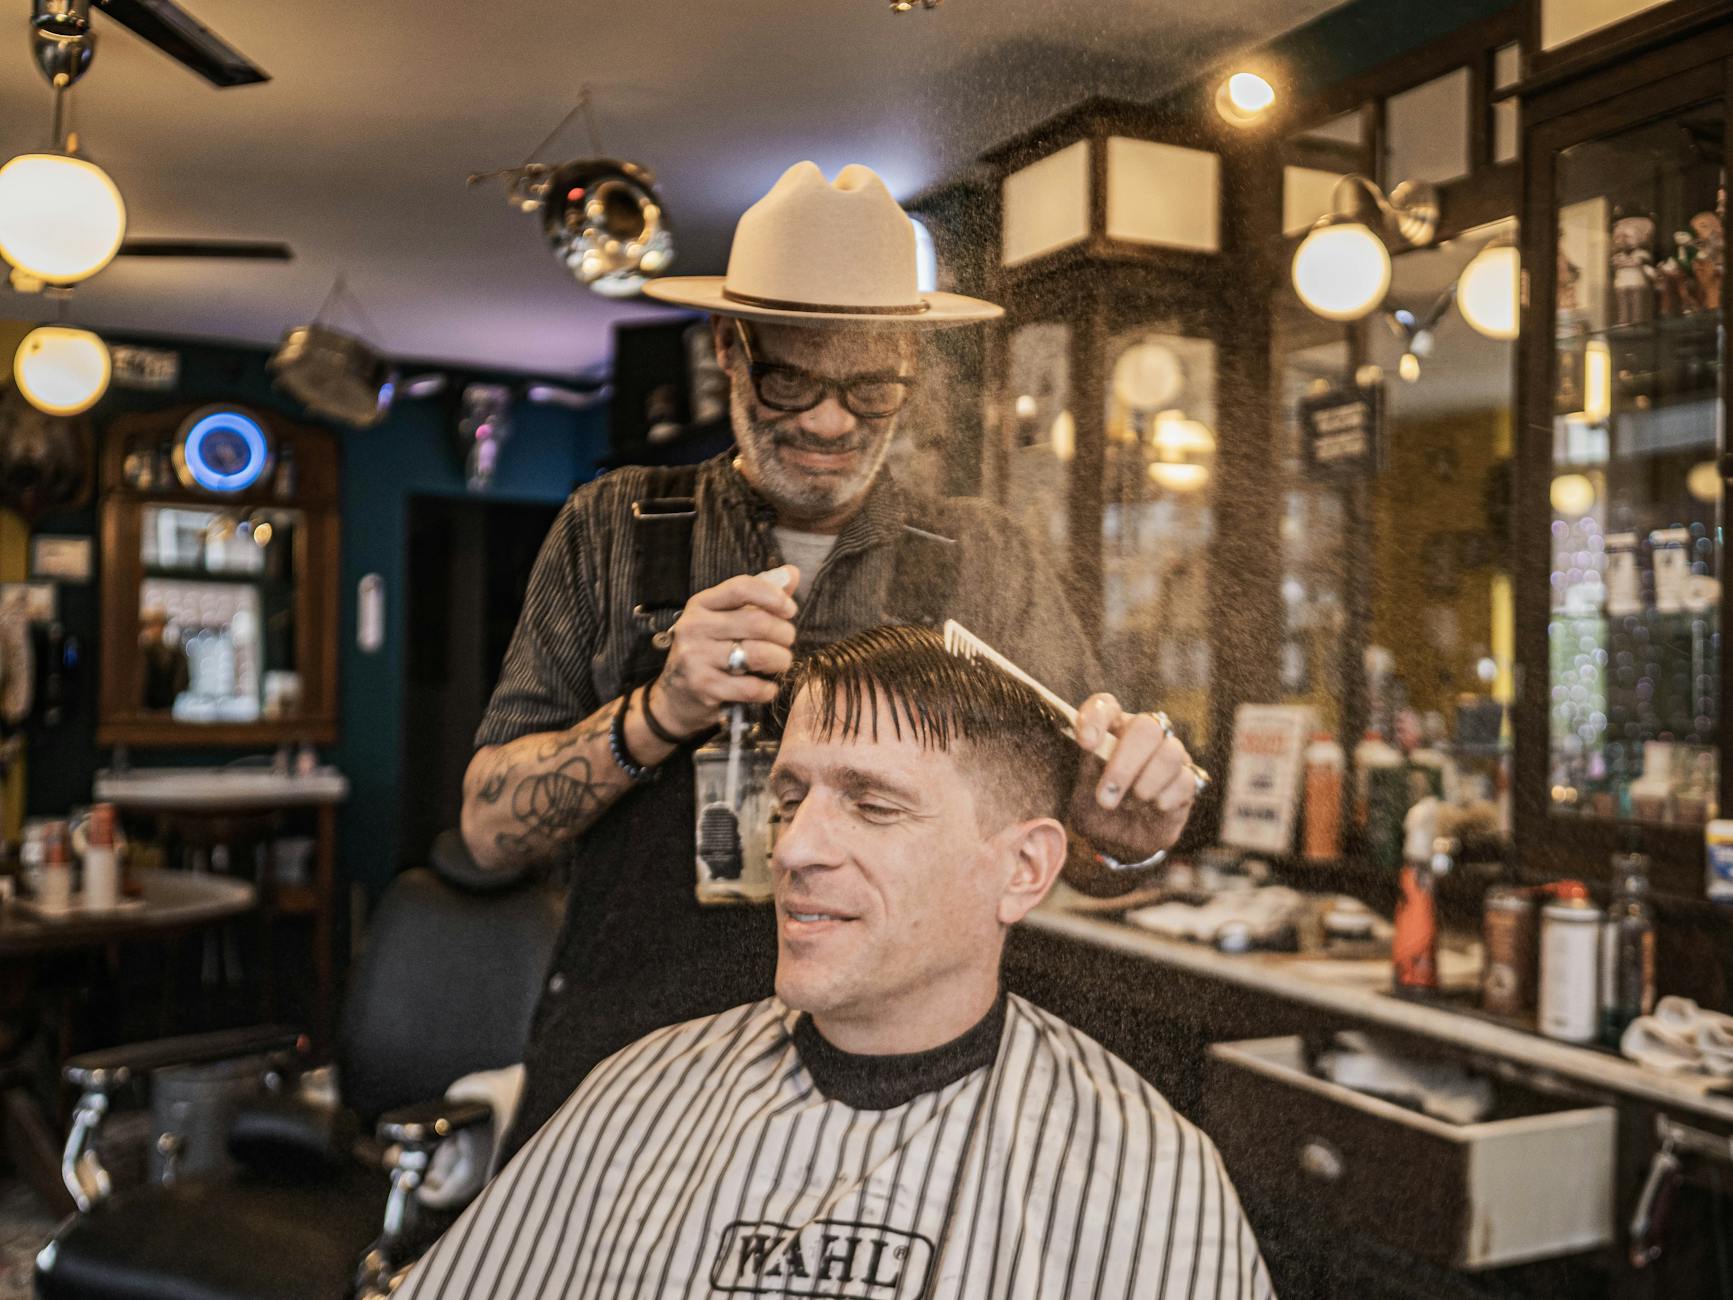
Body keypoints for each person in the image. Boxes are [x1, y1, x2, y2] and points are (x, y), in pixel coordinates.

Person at [461, 160, 1208, 1152]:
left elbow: (1083, 849)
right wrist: (662, 707)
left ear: (912, 365)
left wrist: (1130, 829)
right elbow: (486, 832)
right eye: (791, 380)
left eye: (869, 388)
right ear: (728, 348)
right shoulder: (610, 528)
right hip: (625, 1076)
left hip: (899, 1098)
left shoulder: (984, 559)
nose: (825, 421)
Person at [404, 626, 1271, 1299]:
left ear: (1024, 868)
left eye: (873, 804)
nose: (793, 849)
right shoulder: (634, 1096)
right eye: (790, 797)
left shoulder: (1147, 1176)